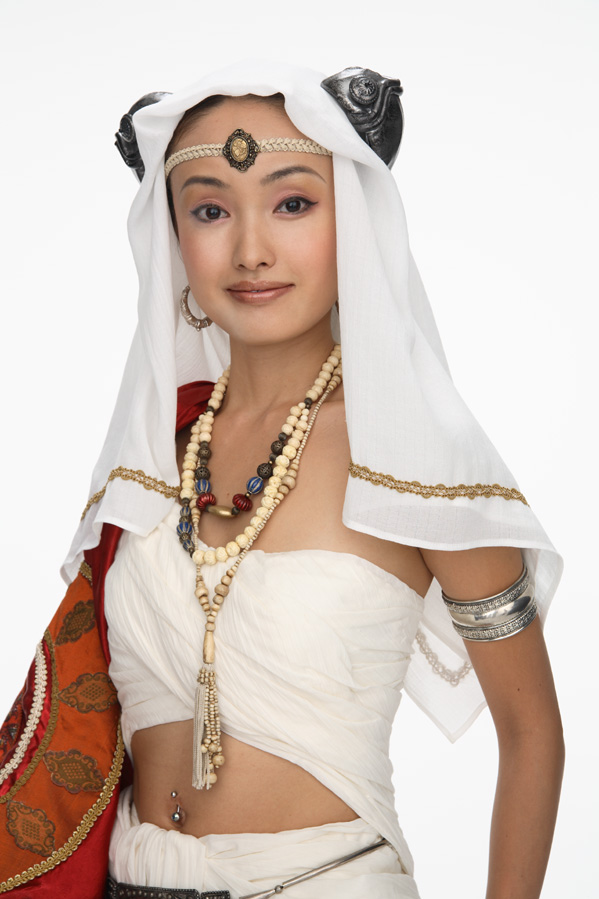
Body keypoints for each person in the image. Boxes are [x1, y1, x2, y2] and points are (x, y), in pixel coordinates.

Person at [0, 62, 564, 899]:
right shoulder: (153, 452)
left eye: (292, 203)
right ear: (173, 238)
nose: (251, 250)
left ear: (355, 225)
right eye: (210, 210)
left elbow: (530, 734)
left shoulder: (416, 453)